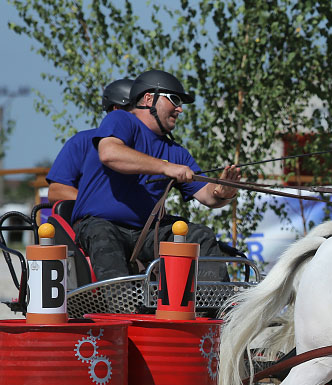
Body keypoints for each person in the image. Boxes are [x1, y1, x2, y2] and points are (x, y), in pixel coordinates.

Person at [71, 69, 240, 280]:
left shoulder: (177, 152)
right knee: (103, 235)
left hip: (148, 233)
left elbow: (208, 196)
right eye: (174, 100)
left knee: (199, 235)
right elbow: (109, 153)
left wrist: (223, 192)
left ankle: (213, 304)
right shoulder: (121, 120)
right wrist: (165, 167)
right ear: (149, 99)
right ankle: (121, 308)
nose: (179, 109)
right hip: (100, 224)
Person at [46, 78, 135, 202]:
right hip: (93, 219)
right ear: (117, 110)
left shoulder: (151, 144)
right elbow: (56, 191)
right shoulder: (81, 142)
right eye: (136, 108)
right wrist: (99, 205)